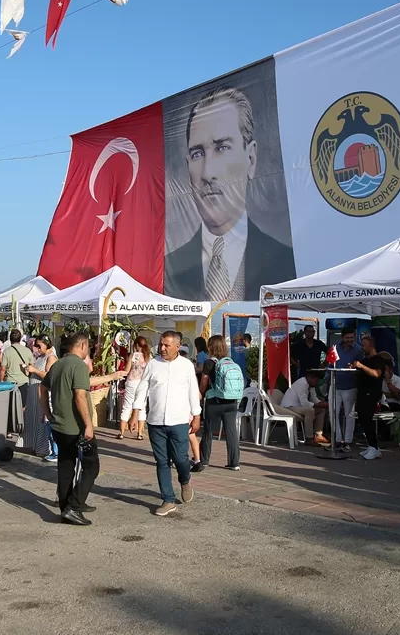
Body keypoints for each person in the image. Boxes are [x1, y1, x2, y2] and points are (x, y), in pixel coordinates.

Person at [164, 87, 297, 300]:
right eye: (197, 154)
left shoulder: (288, 263)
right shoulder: (166, 271)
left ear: (251, 159)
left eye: (222, 148)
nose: (207, 173)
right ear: (188, 165)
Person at [130, 331, 200, 516]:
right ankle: (168, 500)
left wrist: (196, 415)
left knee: (181, 459)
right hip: (156, 422)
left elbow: (193, 390)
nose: (162, 348)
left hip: (179, 421)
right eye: (161, 344)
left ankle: (185, 480)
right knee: (162, 461)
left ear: (177, 346)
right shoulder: (153, 364)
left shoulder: (186, 366)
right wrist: (135, 413)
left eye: (166, 345)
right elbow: (142, 388)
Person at [40, 332, 98, 526]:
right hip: (76, 427)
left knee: (66, 466)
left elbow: (42, 388)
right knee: (91, 466)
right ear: (82, 345)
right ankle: (74, 505)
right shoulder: (78, 366)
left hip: (59, 425)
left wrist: (48, 413)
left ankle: (66, 506)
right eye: (88, 346)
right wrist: (88, 425)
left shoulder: (57, 364)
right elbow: (80, 396)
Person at [199, 335, 244, 470]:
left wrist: (200, 394)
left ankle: (204, 460)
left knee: (208, 431)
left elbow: (204, 382)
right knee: (231, 432)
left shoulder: (209, 363)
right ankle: (234, 463)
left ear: (210, 347)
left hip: (214, 401)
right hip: (231, 401)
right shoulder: (230, 362)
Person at [351, 334, 388, 460]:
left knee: (368, 419)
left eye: (364, 345)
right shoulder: (364, 360)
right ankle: (371, 446)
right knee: (362, 419)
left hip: (372, 393)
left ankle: (374, 447)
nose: (362, 348)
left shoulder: (379, 360)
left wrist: (362, 367)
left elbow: (376, 374)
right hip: (362, 392)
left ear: (371, 345)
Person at [328, 329, 365, 450]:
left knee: (349, 415)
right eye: (347, 338)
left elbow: (362, 367)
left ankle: (348, 441)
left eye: (352, 337)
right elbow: (330, 365)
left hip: (350, 386)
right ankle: (337, 440)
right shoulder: (335, 348)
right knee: (333, 413)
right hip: (335, 385)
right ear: (342, 337)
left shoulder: (358, 350)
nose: (350, 340)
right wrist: (327, 381)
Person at [274, 369, 329, 448]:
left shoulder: (311, 385)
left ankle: (318, 434)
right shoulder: (302, 384)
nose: (317, 383)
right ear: (310, 377)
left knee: (321, 410)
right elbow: (304, 403)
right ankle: (309, 438)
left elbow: (314, 398)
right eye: (316, 381)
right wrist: (319, 405)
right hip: (288, 407)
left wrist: (321, 404)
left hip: (297, 406)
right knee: (309, 410)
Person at [118, 337, 151, 441]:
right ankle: (139, 433)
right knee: (142, 408)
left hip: (131, 382)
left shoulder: (133, 355)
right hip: (143, 384)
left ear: (136, 345)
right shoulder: (149, 357)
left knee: (127, 406)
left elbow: (127, 370)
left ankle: (121, 433)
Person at [0, 329, 34, 432]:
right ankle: (23, 427)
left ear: (10, 339)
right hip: (24, 382)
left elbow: (3, 369)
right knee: (23, 406)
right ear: (20, 339)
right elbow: (32, 366)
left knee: (10, 407)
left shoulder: (7, 351)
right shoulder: (28, 351)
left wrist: (0, 381)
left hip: (10, 383)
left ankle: (10, 430)